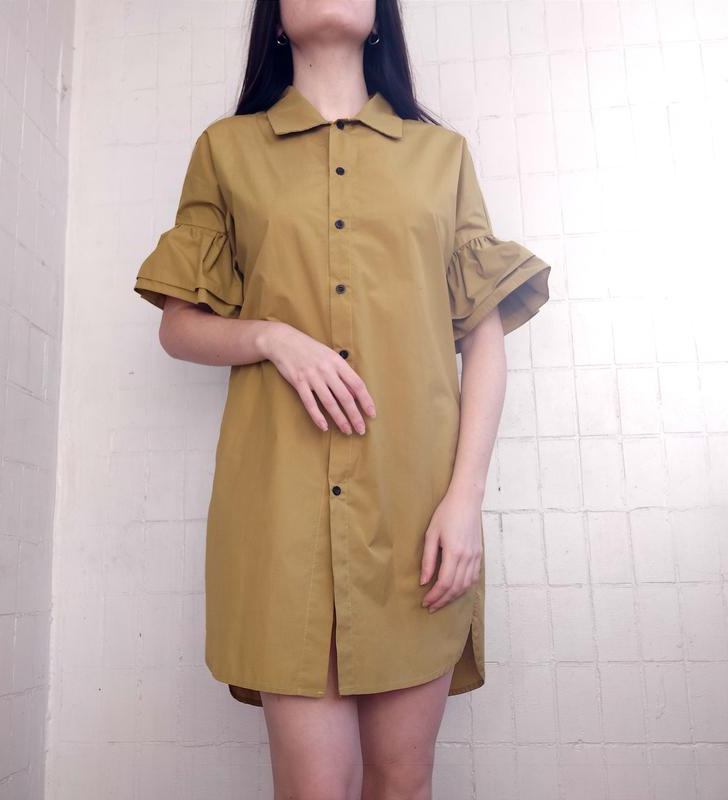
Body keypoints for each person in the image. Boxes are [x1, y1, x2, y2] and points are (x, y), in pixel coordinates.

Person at [133, 1, 551, 797]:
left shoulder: (442, 156)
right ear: (275, 18)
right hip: (280, 515)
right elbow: (178, 328)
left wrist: (464, 501)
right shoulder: (226, 150)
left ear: (381, 16)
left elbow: (484, 340)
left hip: (415, 517)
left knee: (402, 782)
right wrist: (271, 337)